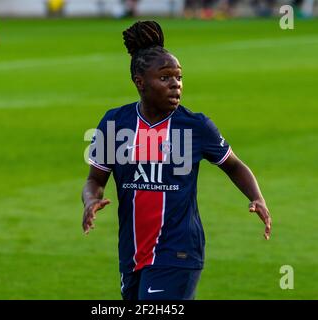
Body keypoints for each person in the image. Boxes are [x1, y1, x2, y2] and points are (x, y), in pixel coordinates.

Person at [81, 21, 272, 300]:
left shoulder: (195, 126)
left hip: (179, 251)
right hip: (132, 251)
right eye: (165, 77)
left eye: (178, 77)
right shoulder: (115, 123)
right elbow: (95, 179)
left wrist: (257, 197)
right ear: (140, 82)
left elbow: (233, 165)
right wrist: (90, 200)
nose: (175, 85)